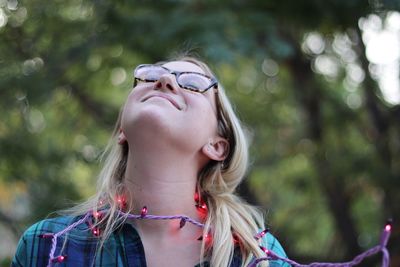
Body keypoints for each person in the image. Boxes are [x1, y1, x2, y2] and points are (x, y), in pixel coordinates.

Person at [12, 57, 290, 267]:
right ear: (122, 129)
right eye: (152, 75)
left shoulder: (257, 255)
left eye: (193, 85)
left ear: (217, 146)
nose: (165, 81)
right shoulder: (48, 245)